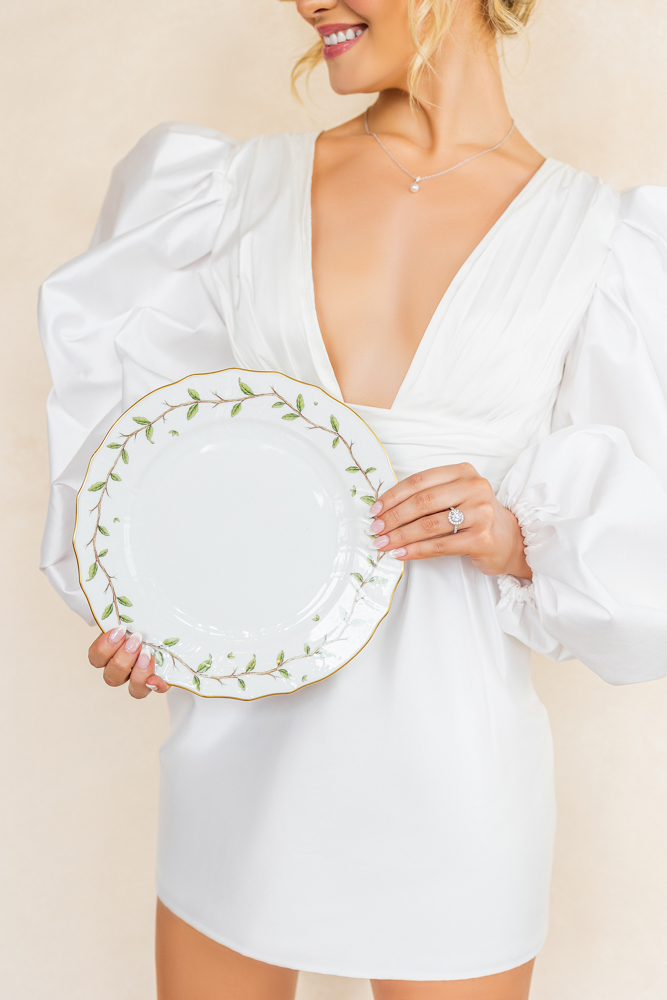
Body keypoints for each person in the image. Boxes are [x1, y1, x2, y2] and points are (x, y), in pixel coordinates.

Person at [39, 1, 667, 997]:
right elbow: (153, 458)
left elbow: (648, 565)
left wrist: (514, 537)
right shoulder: (218, 193)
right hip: (242, 747)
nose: (306, 2)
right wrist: (141, 607)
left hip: (452, 765)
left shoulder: (602, 240)